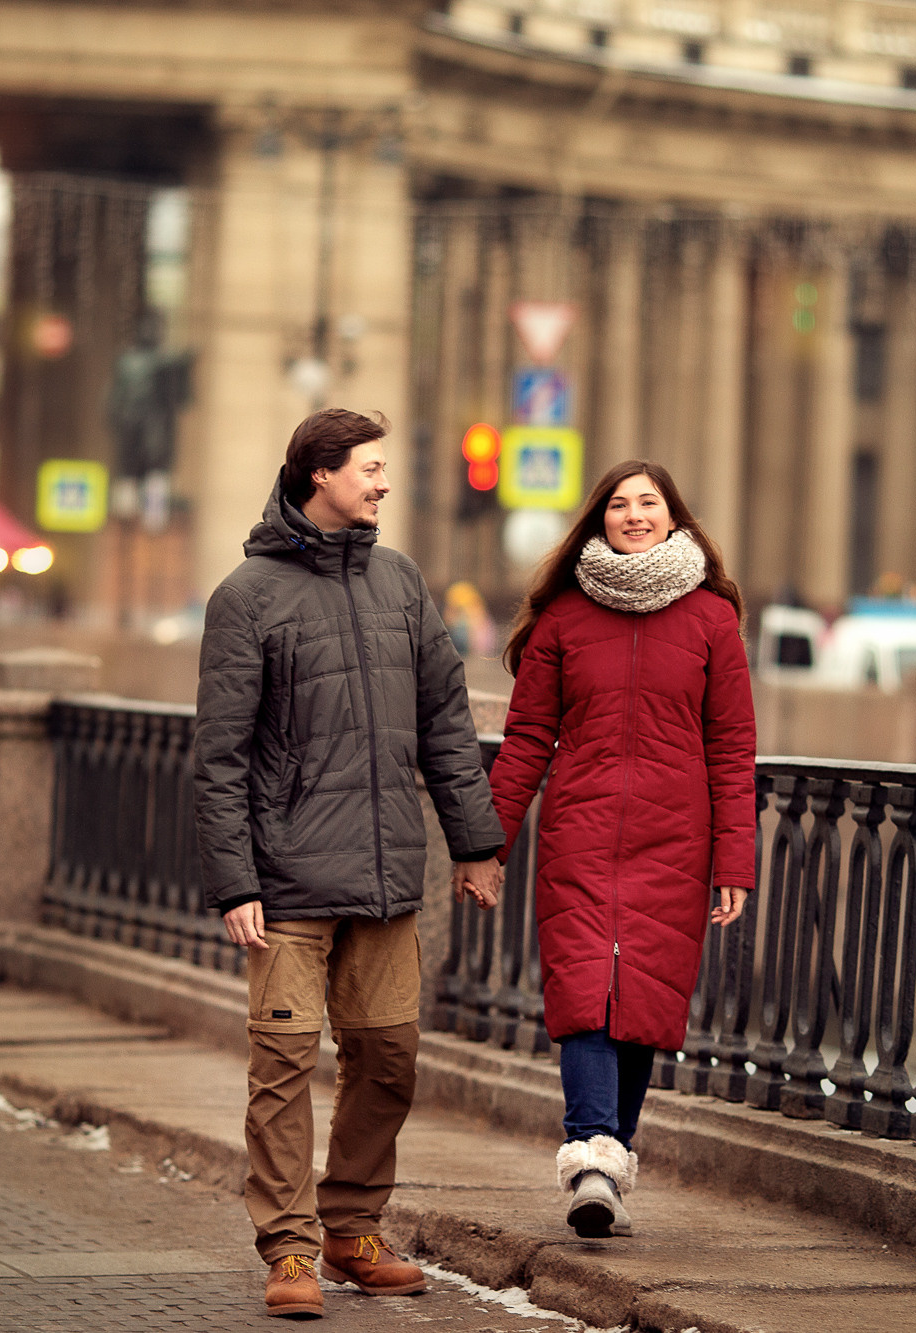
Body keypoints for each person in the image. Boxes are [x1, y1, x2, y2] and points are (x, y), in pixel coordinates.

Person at [195, 407, 506, 1320]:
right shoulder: (246, 596)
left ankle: (353, 1228)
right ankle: (290, 1249)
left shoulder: (400, 582)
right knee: (283, 1066)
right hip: (287, 882)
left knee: (389, 1058)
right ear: (319, 474)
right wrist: (235, 880)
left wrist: (475, 843)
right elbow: (220, 755)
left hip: (384, 875)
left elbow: (446, 722)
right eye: (370, 468)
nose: (382, 483)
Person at [484, 460, 757, 1239]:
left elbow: (732, 749)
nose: (633, 514)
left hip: (675, 842)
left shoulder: (712, 620)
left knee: (643, 1002)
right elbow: (527, 739)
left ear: (674, 517)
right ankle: (592, 1166)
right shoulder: (563, 619)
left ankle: (610, 1159)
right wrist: (486, 845)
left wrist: (734, 861)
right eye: (618, 504)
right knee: (585, 996)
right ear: (598, 518)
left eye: (648, 502)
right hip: (579, 834)